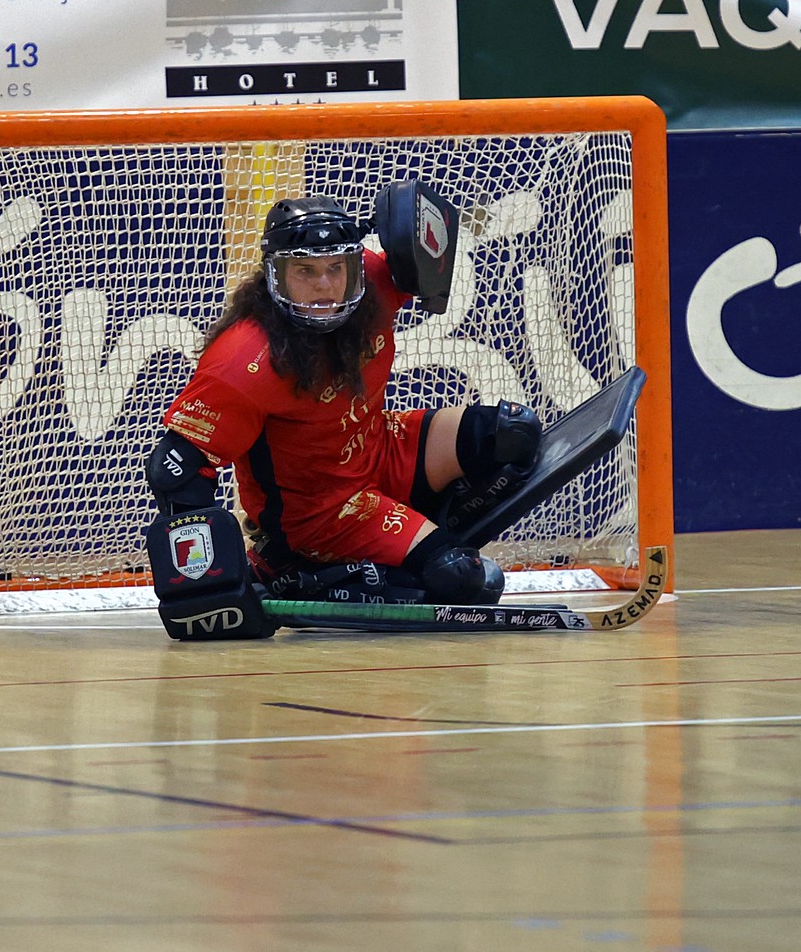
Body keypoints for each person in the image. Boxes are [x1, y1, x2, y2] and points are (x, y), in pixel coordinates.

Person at [143, 189, 544, 640]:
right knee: (464, 578)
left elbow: (425, 255)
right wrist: (208, 586)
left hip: (380, 448)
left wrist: (415, 230)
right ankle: (295, 568)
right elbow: (176, 468)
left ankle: (414, 542)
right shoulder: (244, 360)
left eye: (336, 268)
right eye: (305, 271)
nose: (325, 286)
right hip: (323, 514)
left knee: (514, 432)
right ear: (274, 276)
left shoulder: (368, 283)